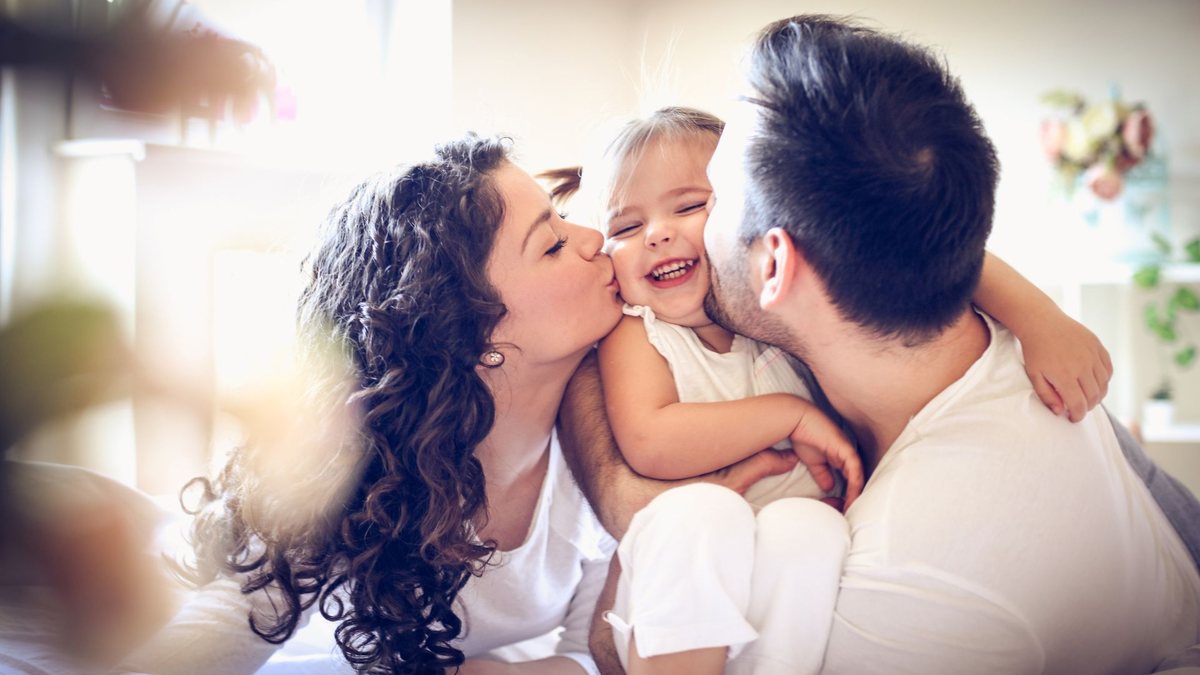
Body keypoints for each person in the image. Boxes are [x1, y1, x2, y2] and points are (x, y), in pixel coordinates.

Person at [117, 134, 798, 675]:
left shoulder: (609, 430)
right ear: (477, 331)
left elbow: (605, 645)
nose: (595, 240)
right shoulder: (350, 473)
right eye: (554, 242)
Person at [552, 106, 1119, 674]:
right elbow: (650, 438)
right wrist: (789, 416)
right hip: (685, 575)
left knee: (812, 530)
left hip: (784, 561)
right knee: (698, 513)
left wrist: (1042, 320)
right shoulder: (640, 331)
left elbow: (933, 258)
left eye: (692, 205)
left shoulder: (767, 292)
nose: (657, 234)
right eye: (625, 228)